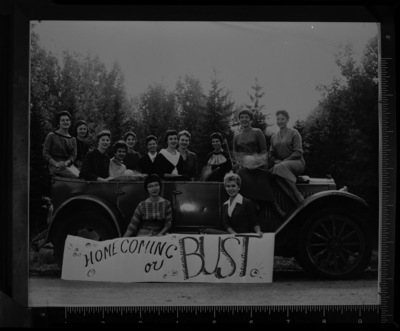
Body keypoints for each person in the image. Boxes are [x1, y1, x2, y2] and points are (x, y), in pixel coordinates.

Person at [232, 109, 286, 221]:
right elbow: (235, 154)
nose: (244, 119)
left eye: (246, 117)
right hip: (243, 167)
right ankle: (253, 205)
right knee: (240, 179)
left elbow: (264, 150)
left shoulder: (257, 132)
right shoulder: (236, 136)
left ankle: (275, 206)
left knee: (262, 178)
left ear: (251, 119)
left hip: (258, 165)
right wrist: (240, 164)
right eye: (242, 117)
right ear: (239, 120)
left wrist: (259, 163)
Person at [270, 110, 305, 205]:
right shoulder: (273, 136)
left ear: (287, 120)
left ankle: (297, 193)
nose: (280, 121)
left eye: (282, 119)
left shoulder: (294, 132)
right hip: (281, 166)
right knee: (275, 176)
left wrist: (283, 161)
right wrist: (275, 160)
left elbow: (298, 152)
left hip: (297, 163)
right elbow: (271, 154)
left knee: (279, 167)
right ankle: (294, 202)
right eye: (278, 119)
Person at [42, 110, 78, 178]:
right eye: (63, 120)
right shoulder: (51, 135)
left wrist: (66, 163)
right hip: (55, 166)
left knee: (81, 176)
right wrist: (56, 164)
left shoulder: (73, 139)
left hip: (68, 165)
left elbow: (73, 155)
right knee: (74, 177)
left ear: (70, 122)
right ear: (59, 122)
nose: (65, 122)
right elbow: (45, 153)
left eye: (67, 120)